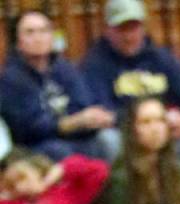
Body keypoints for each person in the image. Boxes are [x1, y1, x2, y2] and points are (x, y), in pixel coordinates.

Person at [79, 0, 180, 204]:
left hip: (168, 139)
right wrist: (153, 122)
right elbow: (103, 114)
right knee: (107, 140)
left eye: (134, 28)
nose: (129, 36)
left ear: (143, 27)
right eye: (122, 29)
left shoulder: (161, 58)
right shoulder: (94, 64)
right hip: (128, 142)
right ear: (107, 30)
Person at [0, 10, 118, 162]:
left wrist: (92, 118)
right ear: (17, 42)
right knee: (59, 151)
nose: (38, 38)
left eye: (44, 31)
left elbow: (83, 103)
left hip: (76, 136)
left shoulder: (64, 68)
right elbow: (27, 128)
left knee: (110, 139)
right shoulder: (10, 79)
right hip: (37, 146)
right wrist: (68, 123)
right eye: (30, 32)